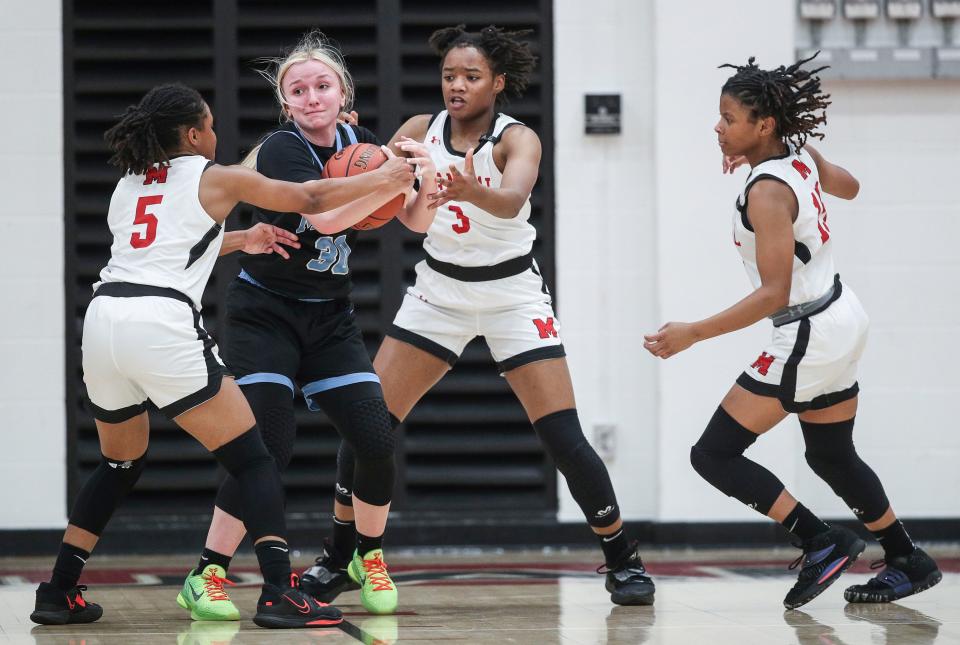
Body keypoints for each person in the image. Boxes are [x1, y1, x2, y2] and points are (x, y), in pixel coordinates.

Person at [29, 83, 413, 628]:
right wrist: (385, 178)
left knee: (120, 463)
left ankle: (58, 589)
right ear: (192, 135)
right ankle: (281, 592)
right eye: (209, 126)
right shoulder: (215, 176)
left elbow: (164, 248)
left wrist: (242, 239)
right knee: (254, 457)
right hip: (159, 323)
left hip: (103, 321)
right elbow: (307, 199)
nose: (216, 134)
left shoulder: (128, 182)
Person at [302, 24, 656, 608]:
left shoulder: (518, 139)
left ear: (498, 82)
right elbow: (374, 181)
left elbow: (514, 198)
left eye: (470, 76)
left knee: (563, 434)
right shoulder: (419, 131)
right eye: (449, 76)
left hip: (512, 292)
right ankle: (340, 557)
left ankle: (622, 557)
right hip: (439, 289)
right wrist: (363, 173)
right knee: (368, 425)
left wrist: (470, 190)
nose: (457, 86)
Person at [643, 53, 942, 609]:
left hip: (806, 329)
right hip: (841, 313)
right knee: (831, 455)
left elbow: (772, 294)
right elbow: (849, 188)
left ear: (764, 125)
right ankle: (907, 558)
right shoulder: (797, 157)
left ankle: (820, 541)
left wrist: (693, 332)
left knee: (713, 454)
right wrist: (800, 158)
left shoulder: (765, 191)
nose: (717, 126)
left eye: (728, 119)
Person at [177, 31, 437, 620]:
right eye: (299, 90)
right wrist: (386, 180)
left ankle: (364, 556)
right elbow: (320, 216)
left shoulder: (362, 144)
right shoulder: (280, 149)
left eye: (323, 86)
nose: (312, 96)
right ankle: (207, 570)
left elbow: (413, 220)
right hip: (263, 313)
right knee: (267, 446)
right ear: (286, 102)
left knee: (374, 438)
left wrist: (426, 186)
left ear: (343, 91)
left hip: (330, 318)